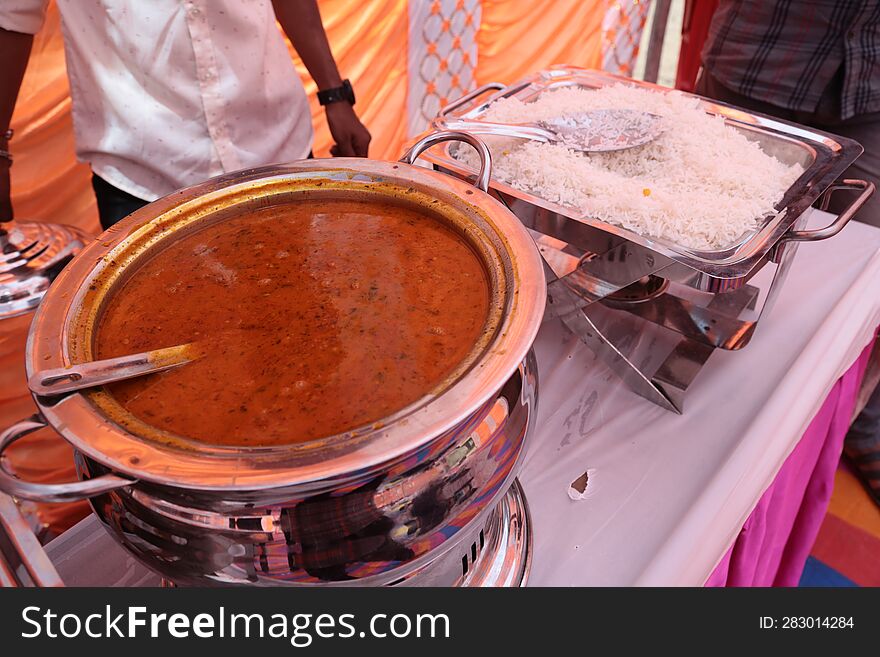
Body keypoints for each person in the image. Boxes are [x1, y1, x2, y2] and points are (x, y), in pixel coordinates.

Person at [697, 0, 880, 505]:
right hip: (760, 57)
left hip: (873, 92)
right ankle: (711, 416)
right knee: (710, 253)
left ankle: (854, 426)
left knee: (854, 286)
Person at [0, 0, 371, 230]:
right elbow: (12, 19)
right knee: (162, 347)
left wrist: (334, 93)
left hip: (276, 143)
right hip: (143, 174)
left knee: (302, 321)